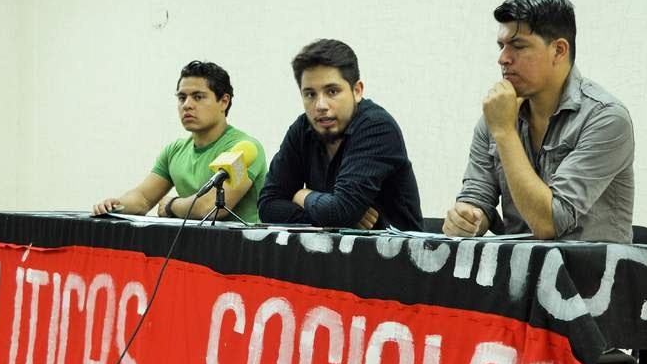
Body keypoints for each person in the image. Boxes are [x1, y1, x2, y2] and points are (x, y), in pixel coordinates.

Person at [443, 0, 634, 242]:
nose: (502, 58)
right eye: (501, 46)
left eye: (518, 46)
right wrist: (466, 218)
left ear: (559, 50)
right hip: (515, 265)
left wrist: (505, 132)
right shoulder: (497, 117)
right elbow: (477, 197)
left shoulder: (606, 118)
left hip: (587, 267)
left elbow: (550, 223)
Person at [257, 39, 423, 231]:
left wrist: (303, 195)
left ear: (357, 91)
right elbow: (267, 206)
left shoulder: (377, 126)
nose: (320, 105)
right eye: (310, 94)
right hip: (330, 249)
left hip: (395, 248)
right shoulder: (302, 129)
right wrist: (330, 218)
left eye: (332, 91)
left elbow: (341, 211)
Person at [92, 60, 267, 222]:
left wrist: (171, 205)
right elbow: (143, 198)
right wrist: (115, 206)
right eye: (182, 98)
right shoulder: (174, 151)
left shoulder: (244, 148)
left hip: (241, 244)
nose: (187, 105)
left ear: (224, 102)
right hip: (192, 244)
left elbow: (211, 207)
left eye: (198, 97)